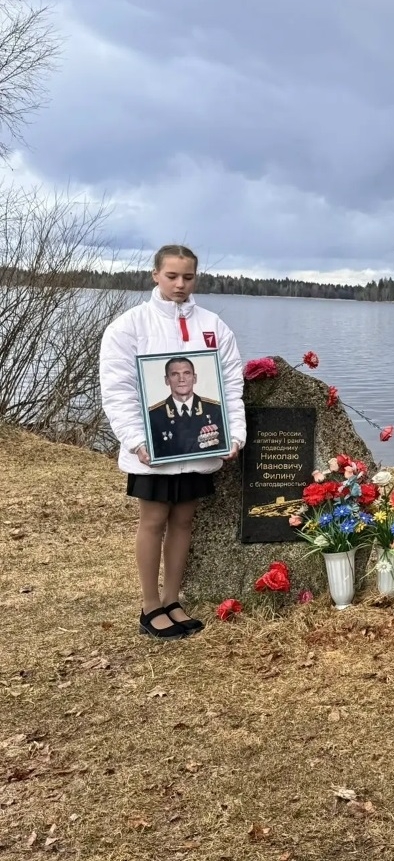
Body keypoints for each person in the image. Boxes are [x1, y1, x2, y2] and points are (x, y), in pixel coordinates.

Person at [100, 245, 246, 640]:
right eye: (172, 276)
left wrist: (234, 433)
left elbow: (230, 384)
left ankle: (172, 600)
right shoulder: (129, 326)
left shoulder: (213, 325)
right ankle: (150, 606)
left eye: (188, 277)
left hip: (198, 447)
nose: (180, 284)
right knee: (153, 521)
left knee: (183, 521)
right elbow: (118, 390)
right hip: (153, 449)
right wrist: (136, 440)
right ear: (155, 275)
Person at [147, 356, 227, 459]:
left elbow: (223, 446)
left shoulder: (215, 410)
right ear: (167, 380)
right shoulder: (154, 415)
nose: (181, 379)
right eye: (175, 374)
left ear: (194, 378)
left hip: (205, 465)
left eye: (187, 373)